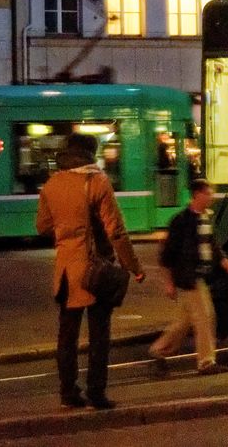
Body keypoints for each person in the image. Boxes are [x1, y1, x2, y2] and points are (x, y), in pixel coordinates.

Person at [36, 133, 145, 411]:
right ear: (89, 154)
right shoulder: (97, 181)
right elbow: (116, 231)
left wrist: (67, 232)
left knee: (67, 335)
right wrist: (134, 267)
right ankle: (96, 392)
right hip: (95, 270)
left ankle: (68, 392)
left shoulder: (52, 183)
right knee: (99, 334)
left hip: (65, 272)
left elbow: (43, 226)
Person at [149, 179, 228, 376]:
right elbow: (167, 254)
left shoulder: (205, 218)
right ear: (197, 195)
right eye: (208, 194)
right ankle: (206, 362)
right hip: (190, 277)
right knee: (206, 316)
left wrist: (227, 264)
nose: (211, 198)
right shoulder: (181, 221)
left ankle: (157, 350)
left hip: (200, 275)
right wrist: (169, 283)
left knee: (184, 322)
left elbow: (212, 246)